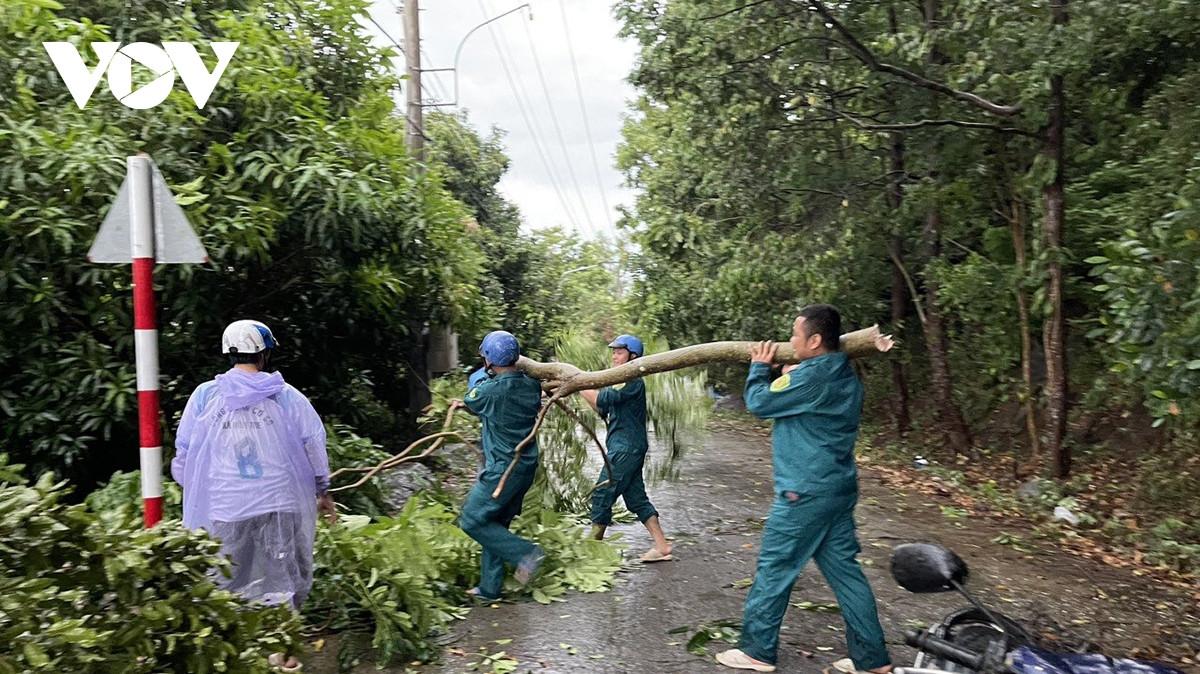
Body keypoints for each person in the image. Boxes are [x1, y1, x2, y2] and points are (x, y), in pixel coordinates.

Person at [716, 305, 892, 674]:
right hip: (837, 490)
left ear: (814, 340)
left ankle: (756, 651)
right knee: (846, 573)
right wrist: (785, 375)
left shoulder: (812, 378)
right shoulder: (843, 374)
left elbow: (760, 403)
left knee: (774, 568)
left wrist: (758, 368)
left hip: (803, 494)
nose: (790, 340)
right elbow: (796, 394)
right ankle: (872, 660)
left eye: (795, 335)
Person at [172, 319, 336, 673]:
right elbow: (313, 446)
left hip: (227, 507)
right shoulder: (286, 396)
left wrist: (194, 489)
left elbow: (184, 454)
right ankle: (285, 655)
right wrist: (322, 491)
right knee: (283, 578)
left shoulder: (204, 396)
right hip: (281, 505)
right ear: (265, 353)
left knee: (227, 579)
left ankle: (237, 653)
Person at [450, 330, 546, 601]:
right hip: (524, 467)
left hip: (502, 470)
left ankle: (526, 554)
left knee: (471, 519)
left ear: (489, 360)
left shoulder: (490, 390)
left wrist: (479, 377)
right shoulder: (532, 385)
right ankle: (490, 589)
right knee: (494, 524)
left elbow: (472, 398)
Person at [578, 334, 672, 563]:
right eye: (613, 352)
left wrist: (575, 382)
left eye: (618, 352)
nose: (613, 356)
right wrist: (572, 387)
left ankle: (593, 552)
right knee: (636, 498)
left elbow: (600, 399)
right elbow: (600, 408)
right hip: (629, 447)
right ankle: (662, 546)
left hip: (626, 449)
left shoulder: (631, 380)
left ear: (633, 356)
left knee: (602, 494)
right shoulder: (622, 381)